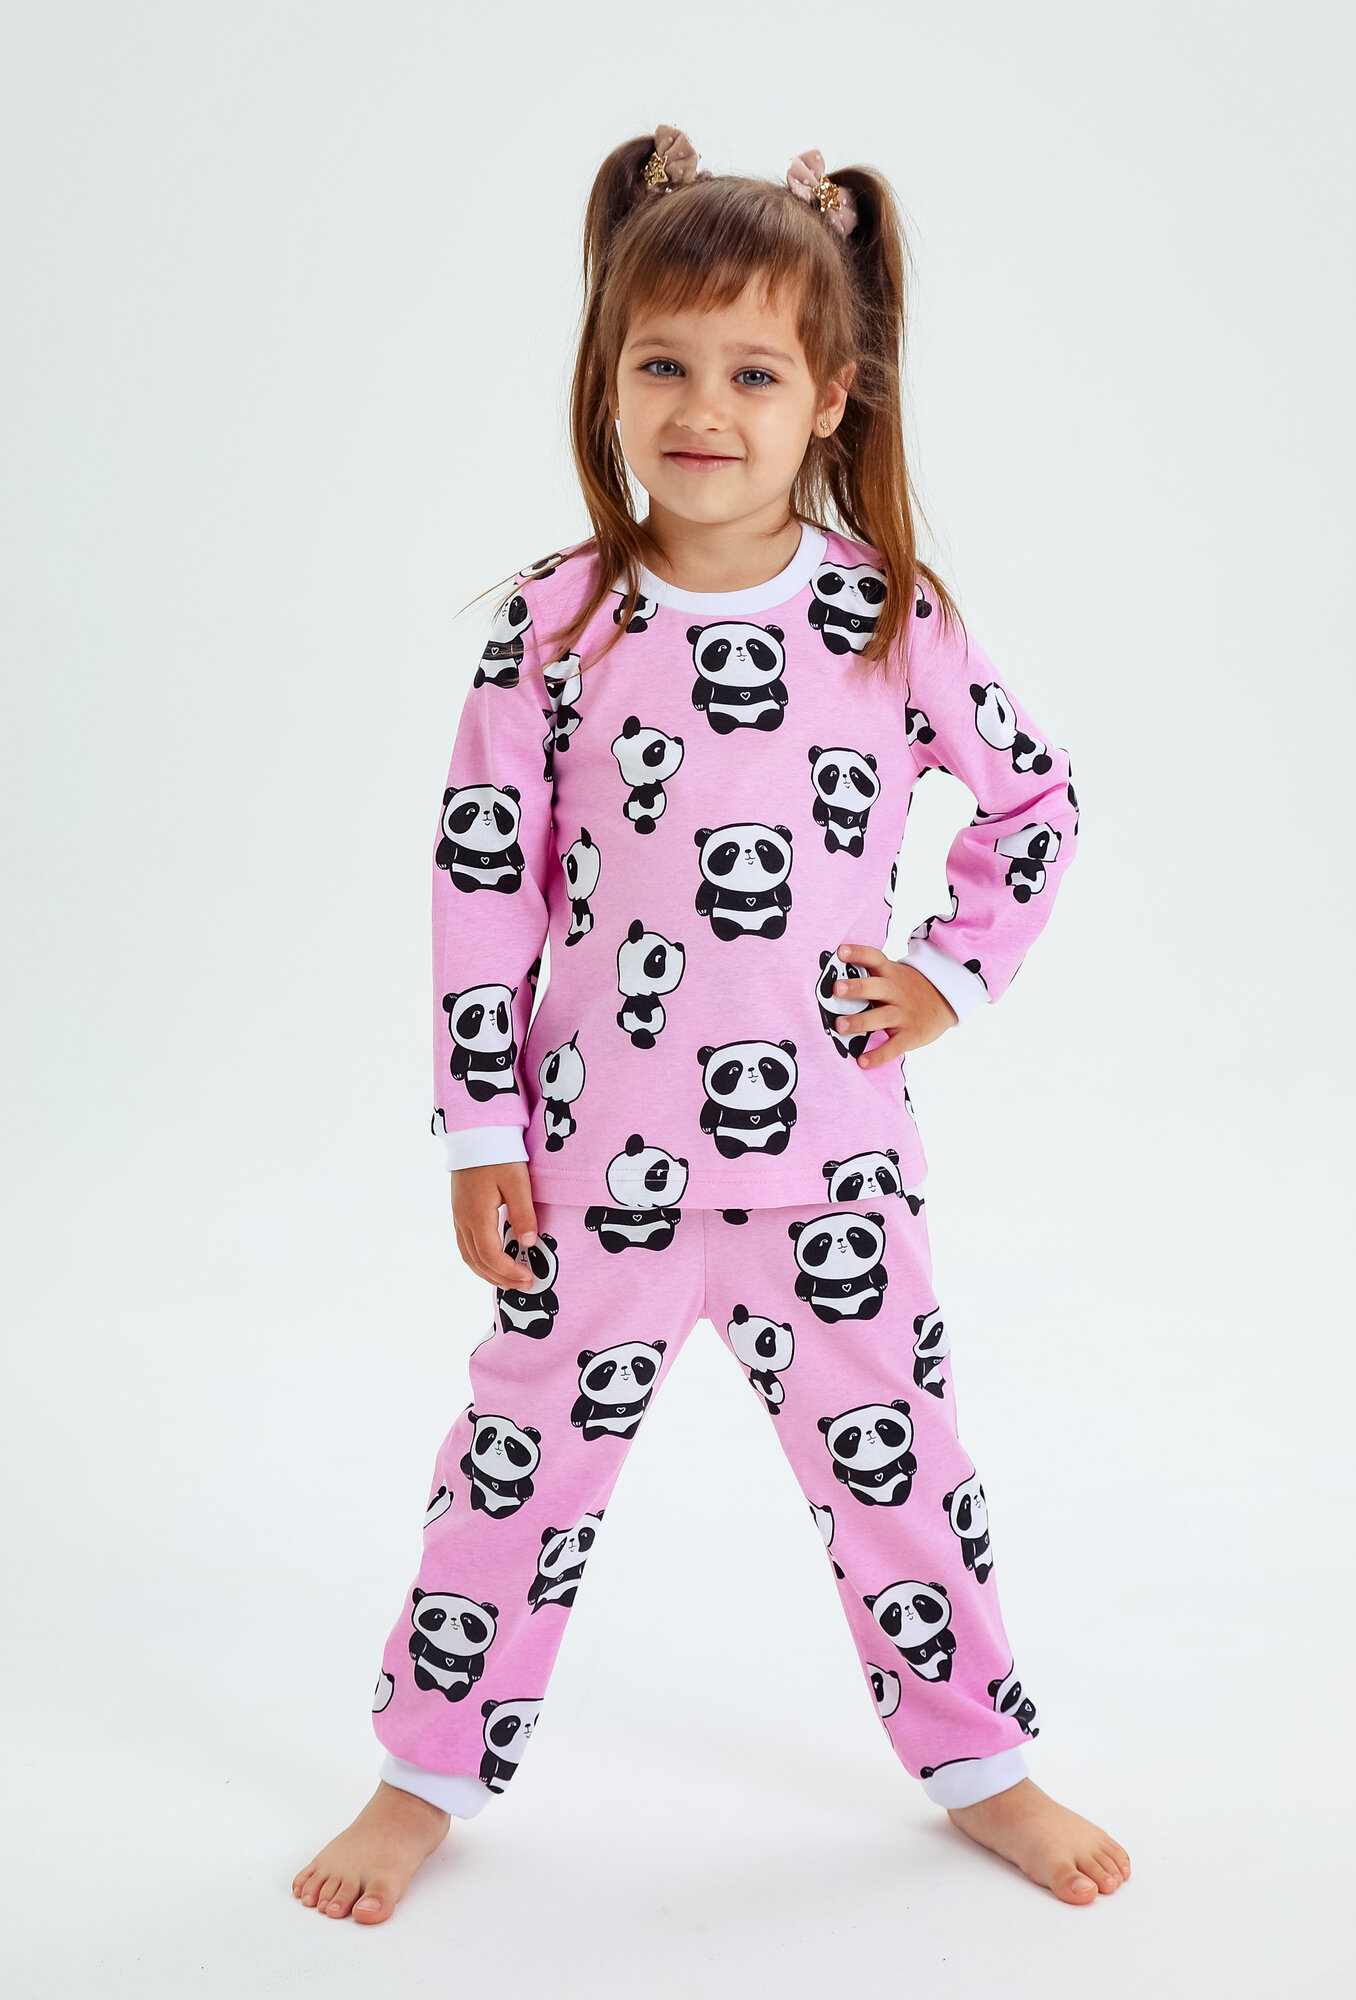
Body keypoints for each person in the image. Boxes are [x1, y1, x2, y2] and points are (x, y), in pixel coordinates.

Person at [293, 126, 1129, 1926]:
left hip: (833, 1163)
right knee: (511, 1479)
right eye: (663, 363)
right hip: (595, 1165)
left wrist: (951, 974)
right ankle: (423, 1774)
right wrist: (480, 1132)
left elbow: (1035, 803)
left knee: (903, 1475)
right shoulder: (552, 629)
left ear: (832, 393)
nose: (703, 407)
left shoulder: (890, 620)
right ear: (607, 374)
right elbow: (481, 886)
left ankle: (980, 1762)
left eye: (753, 372)